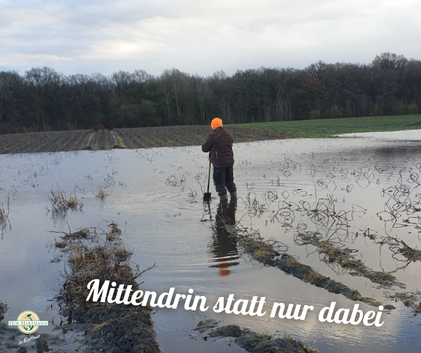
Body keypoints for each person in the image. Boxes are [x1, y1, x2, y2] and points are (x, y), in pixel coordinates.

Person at [202, 117, 237, 202]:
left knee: (220, 185)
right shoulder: (228, 134)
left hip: (219, 164)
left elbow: (204, 148)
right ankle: (234, 203)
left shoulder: (213, 135)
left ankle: (223, 207)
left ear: (213, 126)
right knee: (230, 183)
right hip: (229, 162)